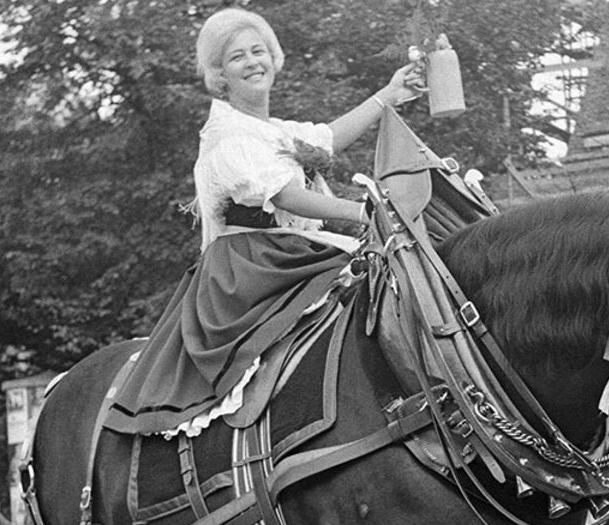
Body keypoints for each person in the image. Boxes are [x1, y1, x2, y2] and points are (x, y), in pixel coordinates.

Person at [106, 7, 424, 436]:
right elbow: (287, 195)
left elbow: (326, 139)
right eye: (237, 57)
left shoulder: (270, 129)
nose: (253, 62)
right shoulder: (228, 134)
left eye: (259, 51)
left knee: (385, 278)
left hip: (284, 251)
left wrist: (390, 92)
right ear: (220, 74)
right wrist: (369, 211)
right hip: (247, 266)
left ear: (274, 59)